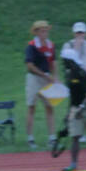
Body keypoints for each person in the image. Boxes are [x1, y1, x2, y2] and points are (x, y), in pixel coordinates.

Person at [25, 19, 58, 150]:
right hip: (34, 78)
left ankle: (52, 137)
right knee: (31, 107)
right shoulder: (32, 46)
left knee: (50, 107)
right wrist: (45, 75)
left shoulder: (51, 45)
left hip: (47, 78)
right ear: (37, 32)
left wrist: (55, 77)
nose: (45, 32)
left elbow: (53, 62)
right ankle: (30, 138)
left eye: (46, 30)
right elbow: (30, 65)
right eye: (42, 30)